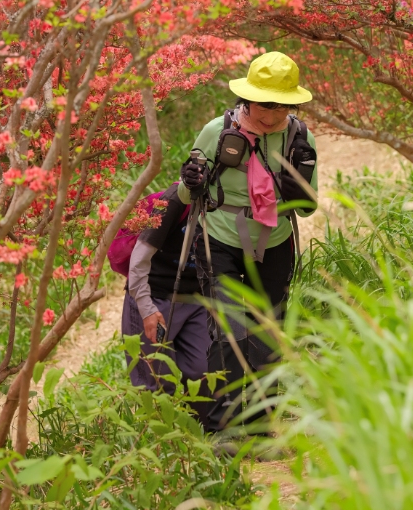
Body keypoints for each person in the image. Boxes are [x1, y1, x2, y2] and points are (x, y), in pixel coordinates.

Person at [178, 51, 318, 435]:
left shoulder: (298, 138)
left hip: (274, 241)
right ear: (247, 97)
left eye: (282, 105)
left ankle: (260, 424)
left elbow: (307, 208)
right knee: (228, 328)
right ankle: (223, 427)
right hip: (219, 238)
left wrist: (299, 191)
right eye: (264, 104)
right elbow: (188, 197)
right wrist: (190, 181)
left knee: (266, 329)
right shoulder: (215, 132)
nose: (271, 115)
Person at [119, 186, 211, 400]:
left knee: (204, 374)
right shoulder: (176, 200)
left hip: (196, 300)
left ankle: (204, 432)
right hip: (154, 296)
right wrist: (146, 308)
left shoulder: (231, 204)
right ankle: (158, 433)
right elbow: (138, 262)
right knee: (155, 384)